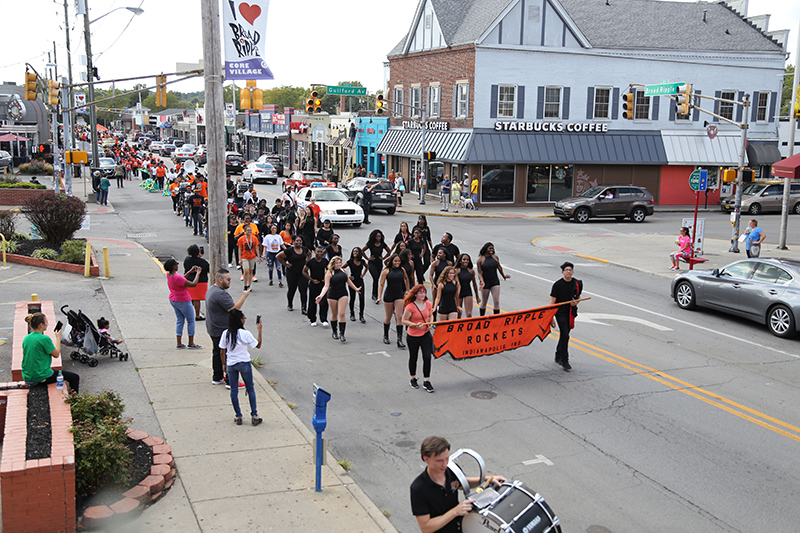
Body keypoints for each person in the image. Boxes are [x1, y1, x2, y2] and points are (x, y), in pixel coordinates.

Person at [410, 436, 506, 532]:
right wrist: (455, 512)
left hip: (460, 527)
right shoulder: (418, 488)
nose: (445, 464)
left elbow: (461, 483)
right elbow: (426, 527)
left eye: (447, 458)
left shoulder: (452, 471)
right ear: (426, 459)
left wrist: (485, 479)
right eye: (439, 461)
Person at [206, 268, 250, 388]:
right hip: (221, 329)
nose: (230, 281)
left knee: (217, 352)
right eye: (228, 279)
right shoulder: (220, 294)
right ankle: (231, 381)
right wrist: (244, 296)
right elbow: (233, 309)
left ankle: (218, 376)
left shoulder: (212, 289)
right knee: (229, 354)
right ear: (220, 280)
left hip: (213, 327)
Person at [219, 309, 263, 426]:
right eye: (243, 318)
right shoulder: (245, 334)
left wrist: (224, 364)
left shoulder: (226, 333)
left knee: (234, 390)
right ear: (240, 320)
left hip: (231, 364)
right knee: (250, 389)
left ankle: (238, 415)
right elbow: (257, 345)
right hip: (244, 363)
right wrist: (259, 330)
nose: (244, 320)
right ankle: (254, 414)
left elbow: (222, 351)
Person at [22, 313, 80, 393]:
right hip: (40, 377)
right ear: (41, 325)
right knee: (74, 377)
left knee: (54, 371)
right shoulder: (44, 339)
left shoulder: (27, 338)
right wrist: (58, 337)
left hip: (27, 377)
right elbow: (56, 354)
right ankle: (74, 399)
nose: (47, 324)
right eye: (46, 322)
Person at [316, 256, 361, 342]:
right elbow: (326, 286)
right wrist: (321, 296)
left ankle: (342, 333)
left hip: (343, 294)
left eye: (340, 263)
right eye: (337, 263)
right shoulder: (329, 273)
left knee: (342, 313)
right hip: (332, 295)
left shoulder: (344, 271)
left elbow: (348, 281)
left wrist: (356, 289)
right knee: (334, 313)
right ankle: (334, 331)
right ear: (333, 264)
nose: (338, 264)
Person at [550, 261, 583, 371]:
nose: (568, 272)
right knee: (565, 334)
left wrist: (575, 303)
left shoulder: (577, 283)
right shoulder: (557, 285)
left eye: (570, 270)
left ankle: (558, 354)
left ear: (573, 272)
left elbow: (577, 297)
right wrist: (551, 318)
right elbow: (552, 303)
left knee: (565, 334)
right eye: (566, 270)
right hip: (560, 313)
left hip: (570, 312)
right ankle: (565, 360)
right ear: (562, 272)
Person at [402, 285, 435, 391]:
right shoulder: (410, 306)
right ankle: (413, 378)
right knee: (413, 357)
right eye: (420, 293)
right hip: (413, 335)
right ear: (415, 294)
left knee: (427, 357)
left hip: (425, 334)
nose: (422, 295)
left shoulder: (428, 304)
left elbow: (430, 315)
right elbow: (404, 320)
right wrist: (414, 325)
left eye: (424, 292)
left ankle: (427, 380)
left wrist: (430, 323)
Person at [164, 258, 202, 349]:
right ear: (174, 267)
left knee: (180, 320)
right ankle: (191, 342)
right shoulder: (177, 277)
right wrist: (198, 273)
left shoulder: (169, 275)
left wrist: (189, 272)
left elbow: (182, 280)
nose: (178, 265)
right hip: (183, 300)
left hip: (174, 299)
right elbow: (193, 284)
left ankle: (179, 342)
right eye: (176, 264)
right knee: (191, 320)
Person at [378, 254, 410, 347]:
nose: (397, 263)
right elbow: (381, 284)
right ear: (391, 261)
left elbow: (406, 279)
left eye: (399, 261)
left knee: (399, 316)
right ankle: (386, 335)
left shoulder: (402, 270)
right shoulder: (386, 271)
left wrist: (407, 290)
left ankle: (399, 339)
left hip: (399, 295)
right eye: (395, 261)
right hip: (389, 295)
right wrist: (379, 296)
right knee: (388, 316)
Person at [277, 236, 311, 312]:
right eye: (297, 241)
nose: (298, 242)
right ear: (293, 242)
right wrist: (285, 264)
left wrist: (307, 263)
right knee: (292, 289)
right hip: (292, 272)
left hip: (302, 273)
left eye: (300, 241)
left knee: (303, 290)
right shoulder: (289, 251)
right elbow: (278, 256)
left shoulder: (304, 249)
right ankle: (290, 304)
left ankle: (304, 308)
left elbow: (310, 254)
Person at [476, 242, 510, 316]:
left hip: (495, 281)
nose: (491, 250)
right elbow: (479, 273)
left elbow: (499, 267)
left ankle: (496, 319)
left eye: (492, 248)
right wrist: (482, 281)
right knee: (484, 302)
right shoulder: (481, 260)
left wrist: (503, 276)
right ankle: (482, 318)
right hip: (485, 282)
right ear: (485, 249)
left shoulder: (495, 257)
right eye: (489, 248)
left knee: (496, 301)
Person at [304, 246, 330, 327]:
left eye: (321, 252)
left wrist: (326, 278)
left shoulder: (325, 261)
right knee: (313, 302)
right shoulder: (311, 262)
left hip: (322, 285)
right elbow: (304, 271)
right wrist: (311, 280)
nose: (319, 253)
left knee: (324, 302)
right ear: (315, 252)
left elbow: (329, 270)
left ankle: (324, 319)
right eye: (318, 251)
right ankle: (313, 319)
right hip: (313, 284)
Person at [363, 229, 391, 302]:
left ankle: (375, 294)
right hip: (372, 263)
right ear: (374, 237)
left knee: (377, 279)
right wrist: (368, 258)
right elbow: (362, 250)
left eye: (379, 236)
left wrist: (384, 258)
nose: (378, 238)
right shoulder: (370, 243)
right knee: (375, 277)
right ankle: (375, 294)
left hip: (379, 263)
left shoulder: (382, 243)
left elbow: (389, 251)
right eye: (377, 236)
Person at [184, 244, 210, 320]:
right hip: (200, 281)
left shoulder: (187, 259)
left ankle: (189, 313)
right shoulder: (203, 262)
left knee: (191, 298)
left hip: (189, 280)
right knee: (197, 299)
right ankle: (197, 315)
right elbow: (208, 270)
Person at [344, 247, 367, 323]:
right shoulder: (350, 262)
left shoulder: (362, 261)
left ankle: (361, 315)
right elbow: (341, 268)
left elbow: (367, 267)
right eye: (354, 251)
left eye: (357, 251)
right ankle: (352, 314)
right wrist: (347, 277)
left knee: (362, 299)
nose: (355, 252)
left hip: (360, 281)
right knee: (352, 298)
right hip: (352, 282)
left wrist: (363, 274)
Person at [455, 254, 480, 318]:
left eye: (467, 260)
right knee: (458, 314)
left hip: (468, 292)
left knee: (469, 314)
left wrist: (477, 297)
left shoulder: (471, 271)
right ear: (460, 260)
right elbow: (458, 284)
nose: (466, 261)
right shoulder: (457, 271)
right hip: (458, 292)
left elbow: (474, 284)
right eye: (464, 259)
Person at [237, 224, 260, 291]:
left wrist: (258, 257)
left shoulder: (254, 238)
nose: (249, 231)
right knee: (246, 271)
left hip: (252, 256)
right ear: (245, 231)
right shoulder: (241, 239)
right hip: (244, 257)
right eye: (248, 230)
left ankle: (249, 285)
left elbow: (256, 248)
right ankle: (245, 285)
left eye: (250, 230)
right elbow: (240, 249)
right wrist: (239, 259)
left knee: (250, 271)